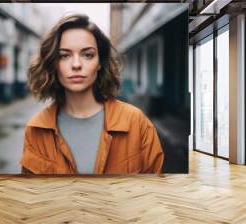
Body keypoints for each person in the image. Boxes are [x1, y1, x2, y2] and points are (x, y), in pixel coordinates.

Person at [20, 14, 164, 175]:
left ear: (100, 62)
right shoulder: (37, 129)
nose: (76, 65)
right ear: (54, 63)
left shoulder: (137, 123)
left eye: (87, 55)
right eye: (64, 55)